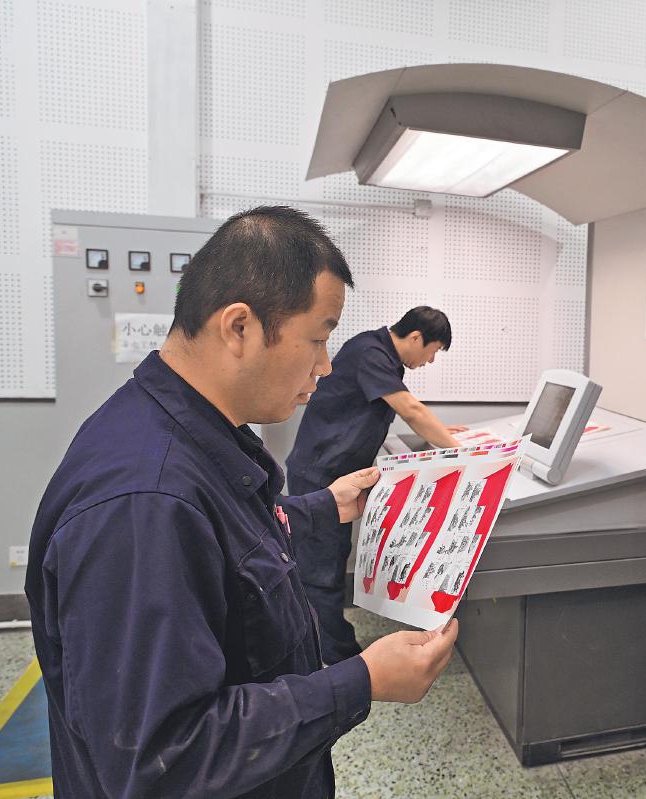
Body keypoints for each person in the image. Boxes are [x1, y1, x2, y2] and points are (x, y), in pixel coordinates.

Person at [25, 206, 458, 799]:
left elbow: (226, 539)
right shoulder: (142, 506)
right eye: (318, 338)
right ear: (239, 328)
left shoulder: (190, 430)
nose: (326, 365)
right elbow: (163, 761)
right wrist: (361, 681)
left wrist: (322, 505)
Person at [286, 306, 467, 663]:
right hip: (319, 475)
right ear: (416, 337)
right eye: (432, 352)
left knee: (328, 562)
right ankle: (339, 658)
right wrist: (461, 451)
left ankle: (324, 647)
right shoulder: (371, 353)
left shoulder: (380, 354)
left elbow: (407, 408)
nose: (430, 361)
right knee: (321, 571)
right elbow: (410, 410)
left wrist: (444, 433)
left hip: (327, 471)